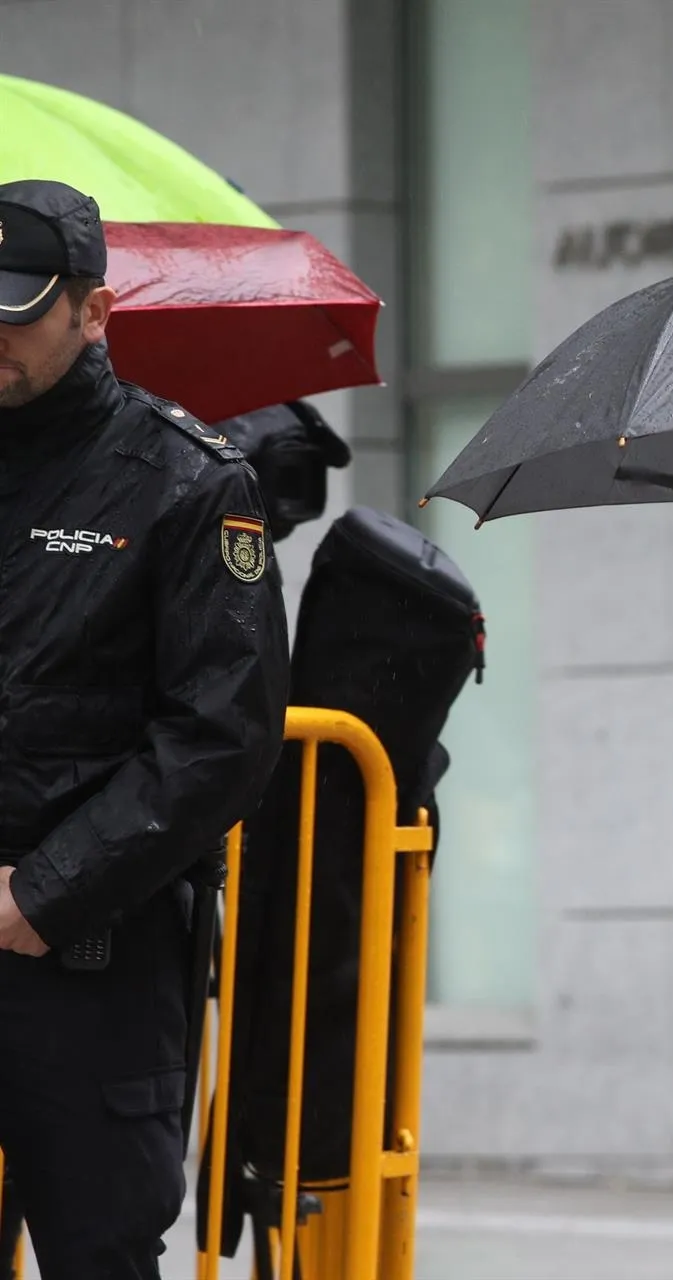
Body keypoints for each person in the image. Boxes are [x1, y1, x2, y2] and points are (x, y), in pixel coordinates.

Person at [0, 179, 291, 1280]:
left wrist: (42, 892)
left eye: (19, 309)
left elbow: (223, 737)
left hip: (92, 964)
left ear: (94, 311)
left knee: (101, 1252)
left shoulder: (188, 482)